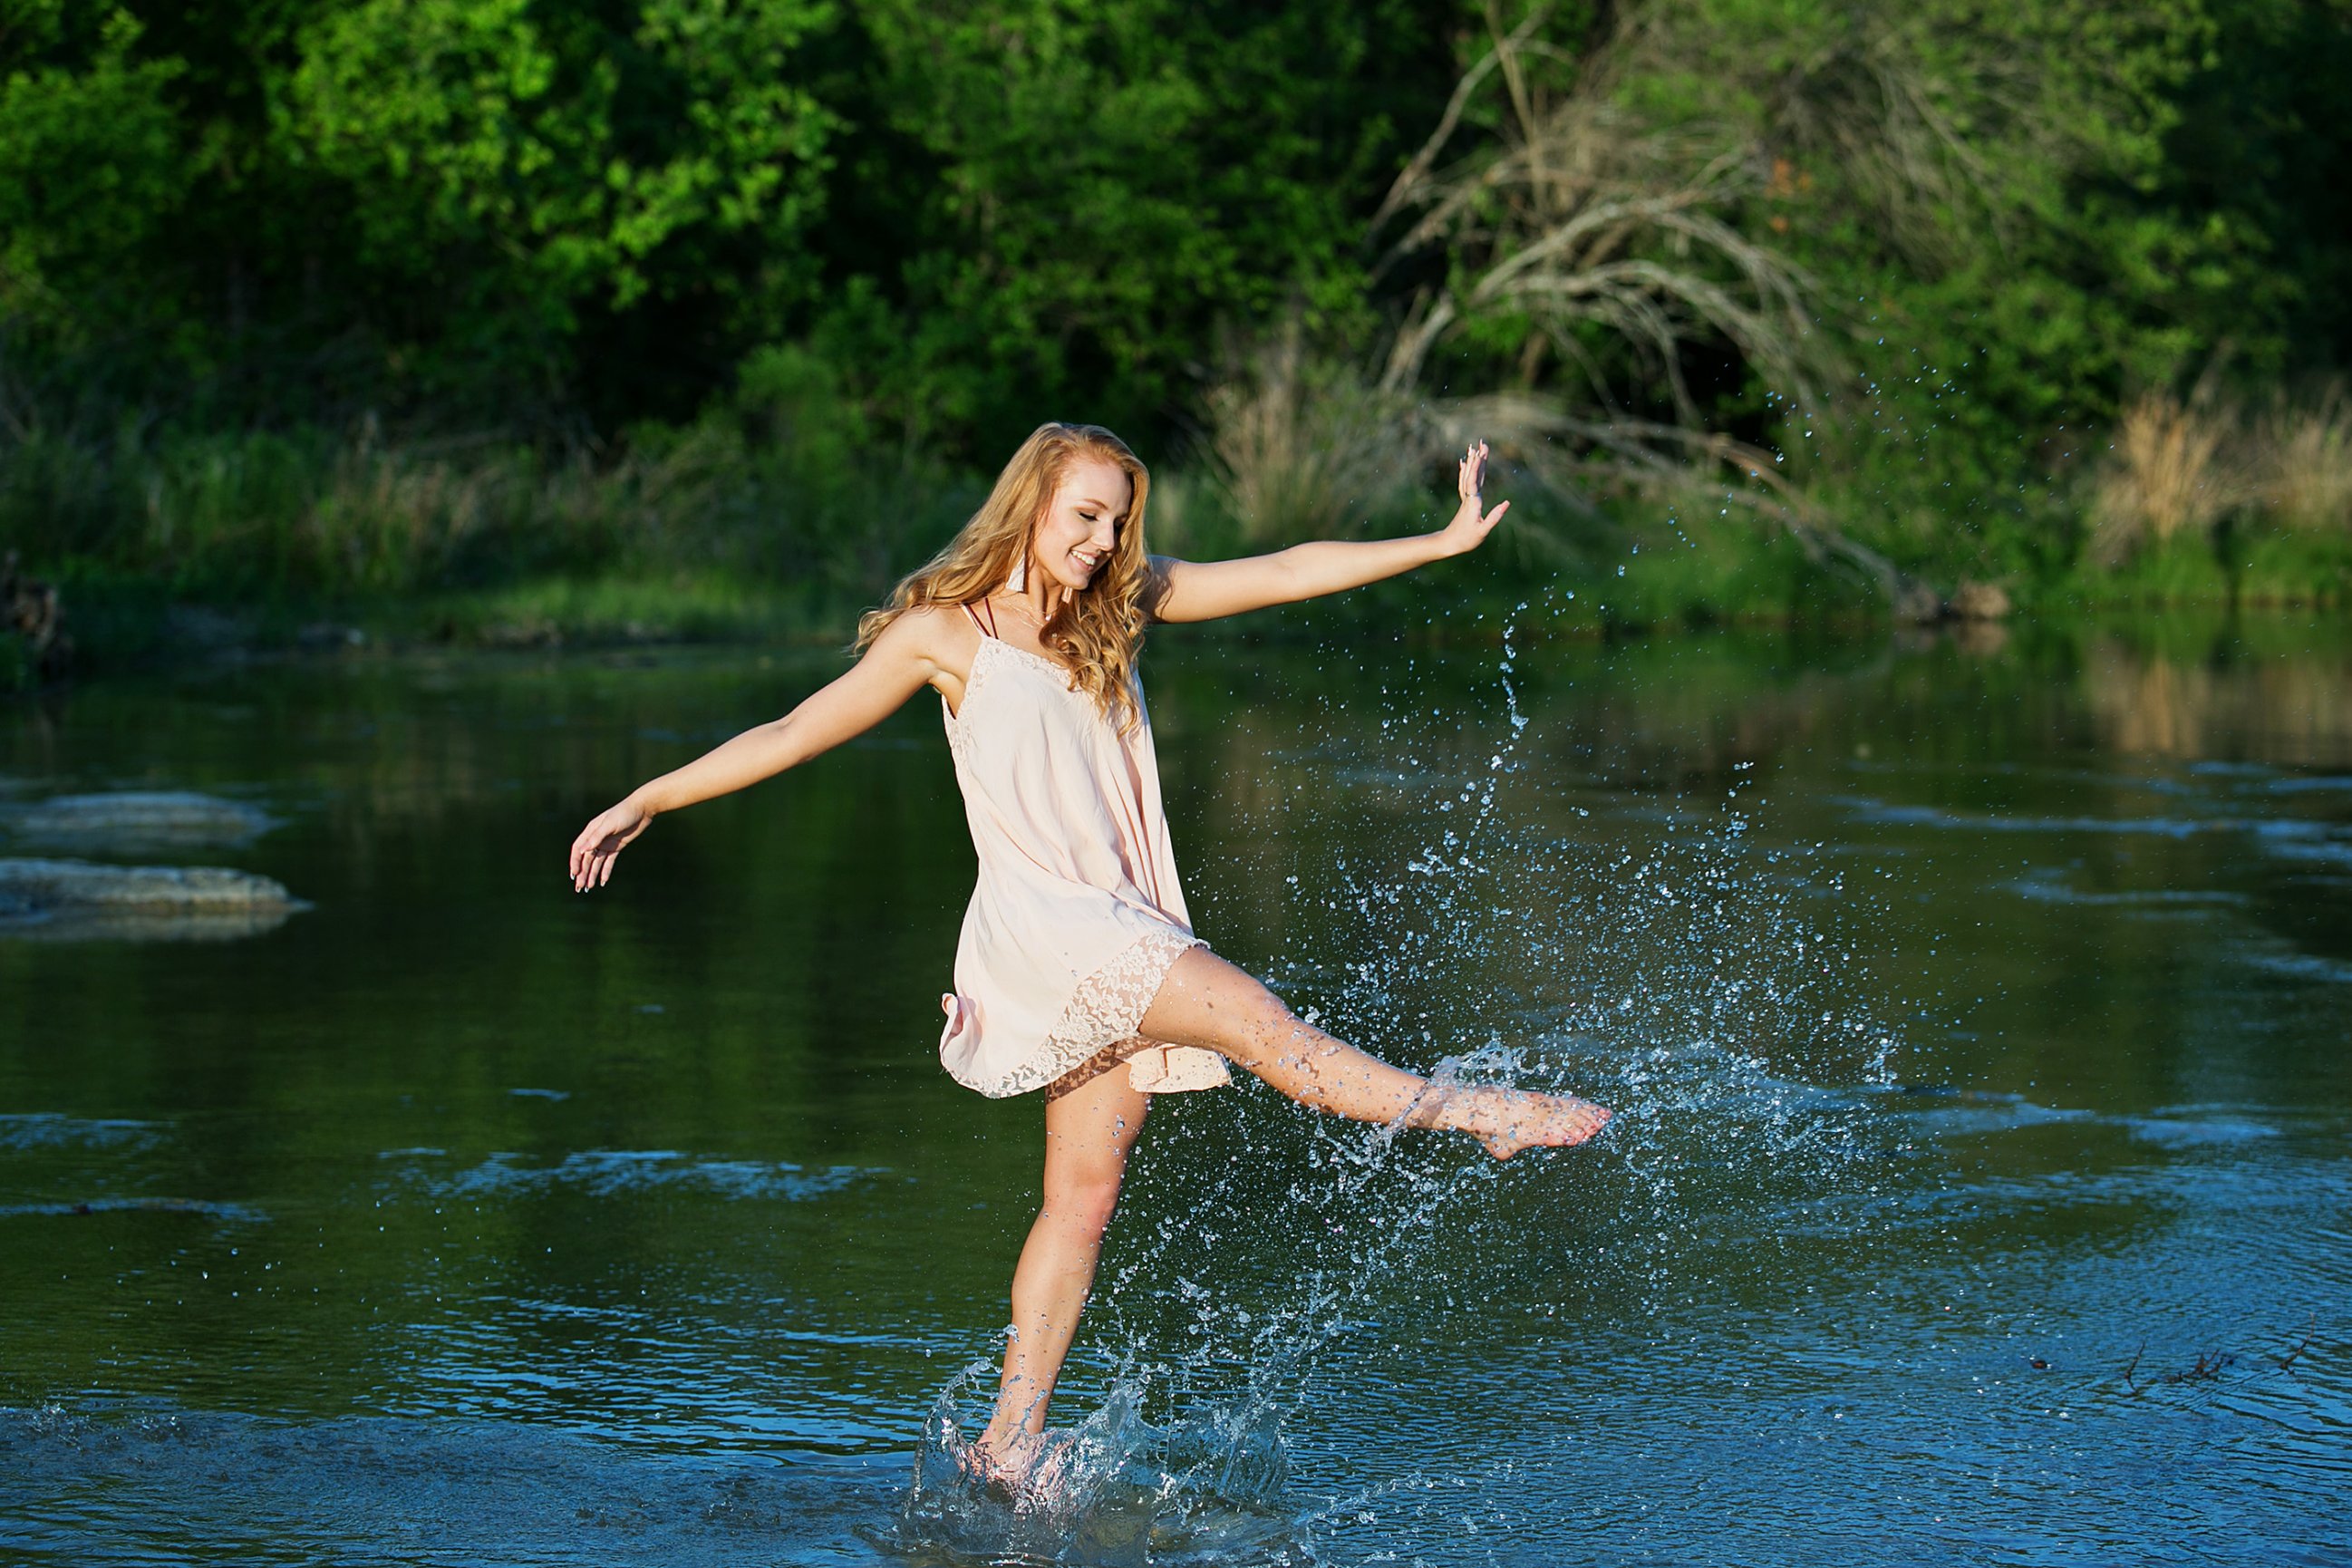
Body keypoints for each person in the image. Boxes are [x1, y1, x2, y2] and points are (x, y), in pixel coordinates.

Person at [566, 422, 1611, 1481]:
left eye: (1117, 520)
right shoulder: (946, 634)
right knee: (1268, 1030)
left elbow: (1285, 570)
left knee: (1084, 1191)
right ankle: (1484, 1114)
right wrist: (649, 796)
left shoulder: (1118, 605)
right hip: (1058, 932)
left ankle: (1007, 1442)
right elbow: (792, 731)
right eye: (1086, 514)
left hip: (1119, 920)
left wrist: (1434, 545)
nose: (1104, 539)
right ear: (1031, 502)